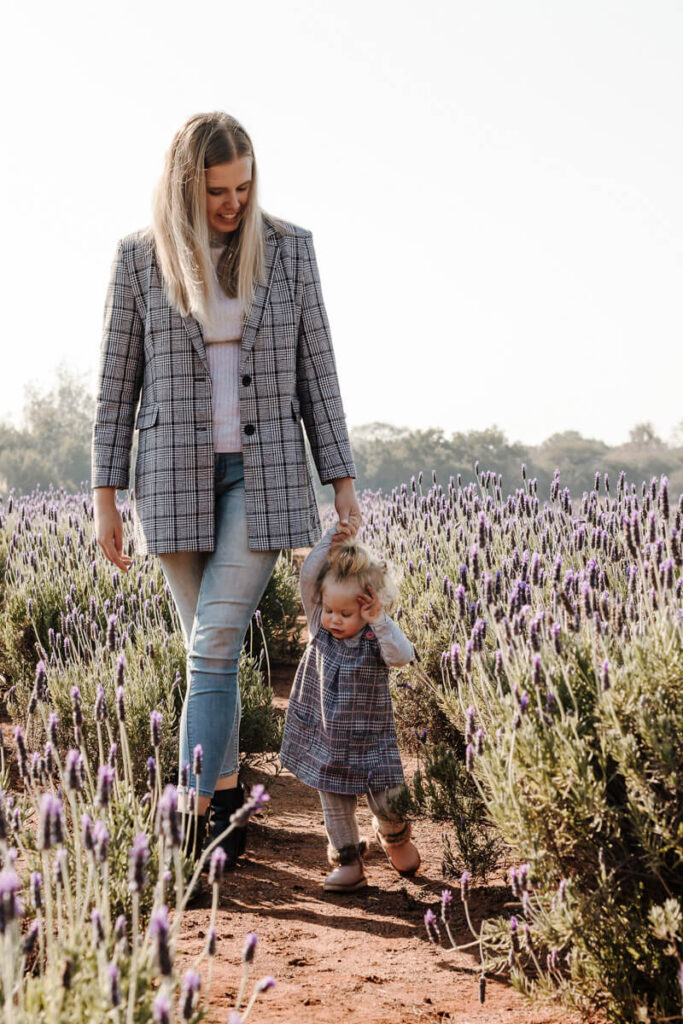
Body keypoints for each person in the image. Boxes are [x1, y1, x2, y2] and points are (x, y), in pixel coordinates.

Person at [92, 111, 360, 867]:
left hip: (264, 472)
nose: (233, 203)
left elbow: (319, 375)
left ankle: (191, 815)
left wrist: (341, 483)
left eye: (243, 187)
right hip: (170, 477)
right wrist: (105, 498)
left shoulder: (290, 251)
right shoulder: (140, 259)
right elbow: (116, 390)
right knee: (202, 649)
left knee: (212, 645)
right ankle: (231, 799)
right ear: (185, 187)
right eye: (217, 191)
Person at [280, 524, 421, 892]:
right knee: (335, 807)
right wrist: (332, 539)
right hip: (326, 737)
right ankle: (349, 862)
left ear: (367, 607)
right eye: (329, 610)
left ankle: (395, 839)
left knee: (389, 797)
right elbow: (309, 578)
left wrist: (380, 619)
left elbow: (403, 656)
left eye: (346, 613)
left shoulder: (377, 637)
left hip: (372, 740)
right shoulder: (318, 628)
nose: (334, 619)